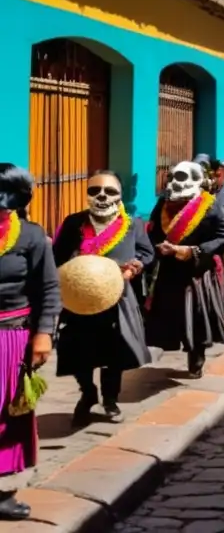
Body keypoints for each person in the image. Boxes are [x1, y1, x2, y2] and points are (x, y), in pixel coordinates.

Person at [52, 171, 153, 426]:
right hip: (79, 300)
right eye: (95, 191)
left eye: (109, 191)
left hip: (116, 299)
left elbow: (146, 253)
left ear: (119, 196)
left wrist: (135, 267)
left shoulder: (132, 224)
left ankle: (110, 399)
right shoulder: (74, 222)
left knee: (113, 353)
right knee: (78, 350)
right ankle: (87, 393)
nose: (102, 196)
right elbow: (57, 256)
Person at [0, 165, 59, 521]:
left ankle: (1, 492)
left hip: (11, 337)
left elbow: (49, 289)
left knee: (6, 414)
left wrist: (43, 334)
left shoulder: (32, 237)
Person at [146, 161, 224, 377]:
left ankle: (197, 357)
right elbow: (154, 229)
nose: (176, 183)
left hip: (196, 271)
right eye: (173, 178)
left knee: (195, 316)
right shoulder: (163, 204)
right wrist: (158, 245)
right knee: (171, 315)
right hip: (169, 269)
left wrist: (193, 250)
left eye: (182, 178)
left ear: (196, 181)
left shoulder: (209, 205)